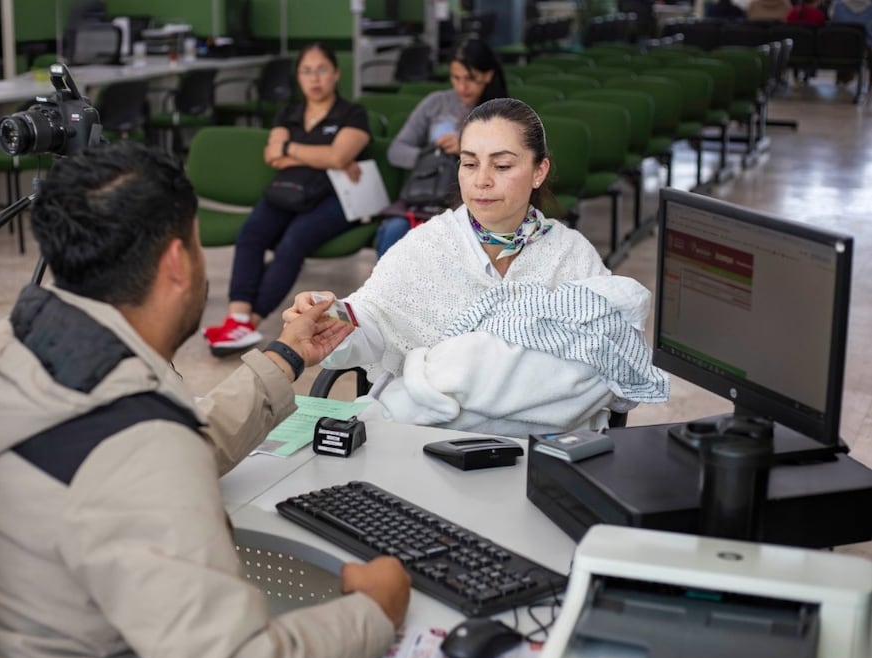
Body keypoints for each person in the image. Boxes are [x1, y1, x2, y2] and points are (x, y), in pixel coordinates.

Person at [0, 141, 411, 658]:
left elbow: (147, 453)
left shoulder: (10, 349)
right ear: (178, 262)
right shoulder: (142, 446)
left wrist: (286, 355)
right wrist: (374, 610)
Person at [284, 98, 669, 436]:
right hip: (430, 442)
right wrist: (332, 322)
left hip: (545, 449)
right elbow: (373, 320)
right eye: (469, 164)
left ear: (539, 171)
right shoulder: (428, 245)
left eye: (502, 166)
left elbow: (612, 355)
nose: (481, 181)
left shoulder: (569, 253)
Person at [203, 42, 371, 356]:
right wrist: (325, 156)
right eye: (307, 71)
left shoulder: (353, 113)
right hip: (288, 191)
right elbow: (273, 155)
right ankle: (236, 316)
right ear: (298, 77)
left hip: (334, 199)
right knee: (251, 233)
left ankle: (248, 323)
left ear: (335, 74)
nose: (315, 78)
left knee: (293, 242)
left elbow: (337, 155)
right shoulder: (289, 113)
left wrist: (292, 150)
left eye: (322, 69)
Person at [374, 39, 508, 258]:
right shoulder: (435, 103)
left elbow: (509, 166)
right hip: (427, 194)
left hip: (476, 203)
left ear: (488, 75)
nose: (462, 87)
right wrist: (431, 155)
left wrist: (466, 152)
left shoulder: (502, 113)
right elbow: (396, 151)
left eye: (471, 79)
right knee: (394, 230)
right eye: (456, 78)